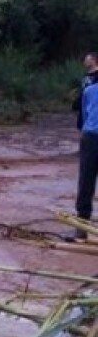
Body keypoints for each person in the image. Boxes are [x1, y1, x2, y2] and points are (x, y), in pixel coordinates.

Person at [75, 63, 98, 242]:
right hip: (91, 137)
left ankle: (81, 227)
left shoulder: (88, 90)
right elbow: (84, 114)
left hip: (89, 136)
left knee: (86, 180)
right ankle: (81, 225)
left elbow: (83, 115)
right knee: (86, 181)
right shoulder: (89, 90)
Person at [72, 52, 98, 131]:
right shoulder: (86, 76)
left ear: (93, 60)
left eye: (87, 59)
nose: (84, 62)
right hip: (84, 107)